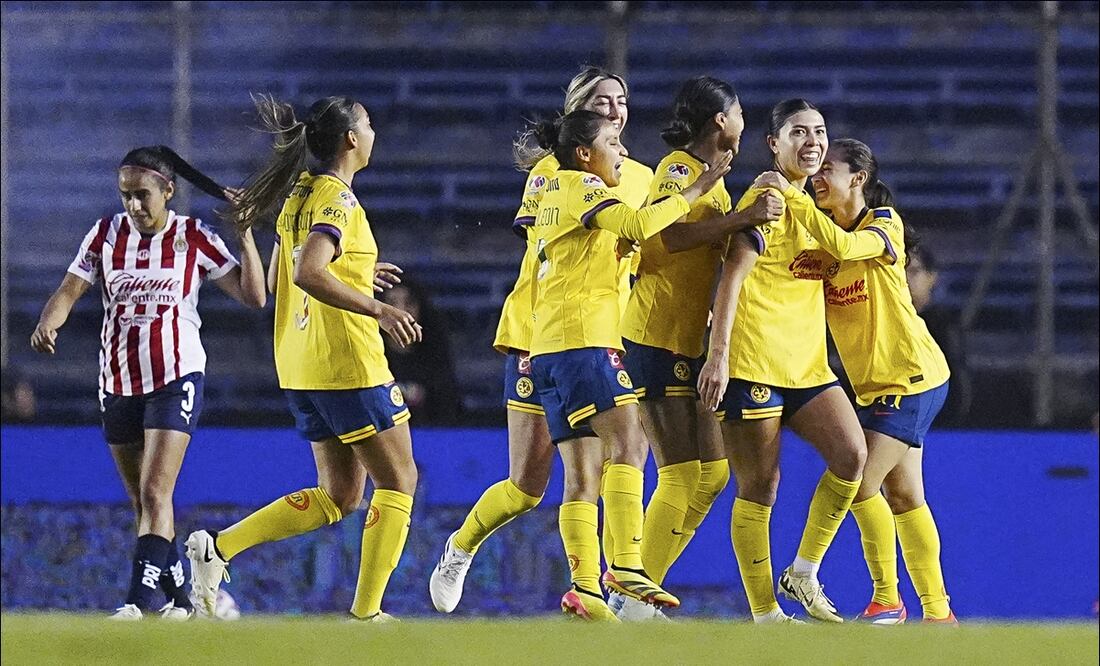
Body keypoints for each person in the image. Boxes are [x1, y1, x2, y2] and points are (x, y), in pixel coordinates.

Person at [186, 95, 421, 623]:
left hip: (299, 365)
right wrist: (378, 308)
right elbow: (309, 273)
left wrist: (358, 272)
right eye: (369, 122)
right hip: (347, 361)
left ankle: (216, 549)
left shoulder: (299, 195)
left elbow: (277, 280)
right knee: (399, 481)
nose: (374, 130)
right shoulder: (335, 197)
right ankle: (367, 617)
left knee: (339, 495)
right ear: (351, 140)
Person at [429, 66, 654, 615]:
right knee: (528, 483)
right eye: (601, 101)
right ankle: (460, 546)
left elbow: (646, 253)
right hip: (538, 331)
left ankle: (588, 591)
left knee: (587, 474)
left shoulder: (642, 177)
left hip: (598, 333)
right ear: (579, 110)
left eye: (621, 101)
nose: (614, 110)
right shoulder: (553, 173)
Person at [30, 145, 266, 620]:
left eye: (142, 195)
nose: (134, 206)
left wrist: (245, 238)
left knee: (156, 494)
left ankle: (137, 605)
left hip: (175, 377)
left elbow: (254, 296)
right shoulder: (104, 236)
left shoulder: (194, 238)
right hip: (117, 381)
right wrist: (48, 322)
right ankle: (191, 601)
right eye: (126, 197)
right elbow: (69, 289)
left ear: (168, 191)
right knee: (144, 502)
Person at [526, 108, 731, 621]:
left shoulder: (554, 192)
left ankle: (582, 587)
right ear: (584, 153)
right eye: (613, 144)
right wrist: (693, 190)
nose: (621, 152)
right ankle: (624, 566)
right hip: (585, 341)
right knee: (631, 444)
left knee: (581, 475)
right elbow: (642, 223)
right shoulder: (581, 187)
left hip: (549, 347)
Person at [755, 137, 956, 623]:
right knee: (905, 496)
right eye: (814, 170)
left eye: (828, 169)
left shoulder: (882, 225)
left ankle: (886, 598)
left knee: (859, 482)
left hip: (912, 376)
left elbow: (845, 245)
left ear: (858, 179)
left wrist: (795, 195)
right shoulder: (823, 243)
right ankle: (938, 613)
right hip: (878, 385)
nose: (818, 177)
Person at [616, 76, 781, 619]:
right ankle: (631, 594)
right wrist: (742, 219)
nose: (743, 122)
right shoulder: (680, 170)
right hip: (654, 335)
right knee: (682, 474)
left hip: (687, 337)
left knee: (712, 474)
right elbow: (667, 237)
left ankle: (634, 591)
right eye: (738, 113)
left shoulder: (713, 177)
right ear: (720, 120)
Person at [697, 99, 867, 624]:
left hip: (808, 367)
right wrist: (718, 357)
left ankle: (804, 571)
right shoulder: (769, 195)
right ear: (774, 144)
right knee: (760, 485)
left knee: (851, 456)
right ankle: (765, 611)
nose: (813, 141)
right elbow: (731, 278)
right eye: (799, 133)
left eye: (819, 132)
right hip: (753, 364)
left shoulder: (809, 206)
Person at [380, 279, 461, 425]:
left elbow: (448, 406)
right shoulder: (371, 353)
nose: (401, 311)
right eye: (392, 304)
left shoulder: (435, 352)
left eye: (409, 303)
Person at [906, 245, 971, 426]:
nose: (904, 279)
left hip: (939, 424)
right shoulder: (880, 321)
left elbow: (956, 382)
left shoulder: (944, 325)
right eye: (898, 272)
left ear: (931, 277)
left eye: (913, 271)